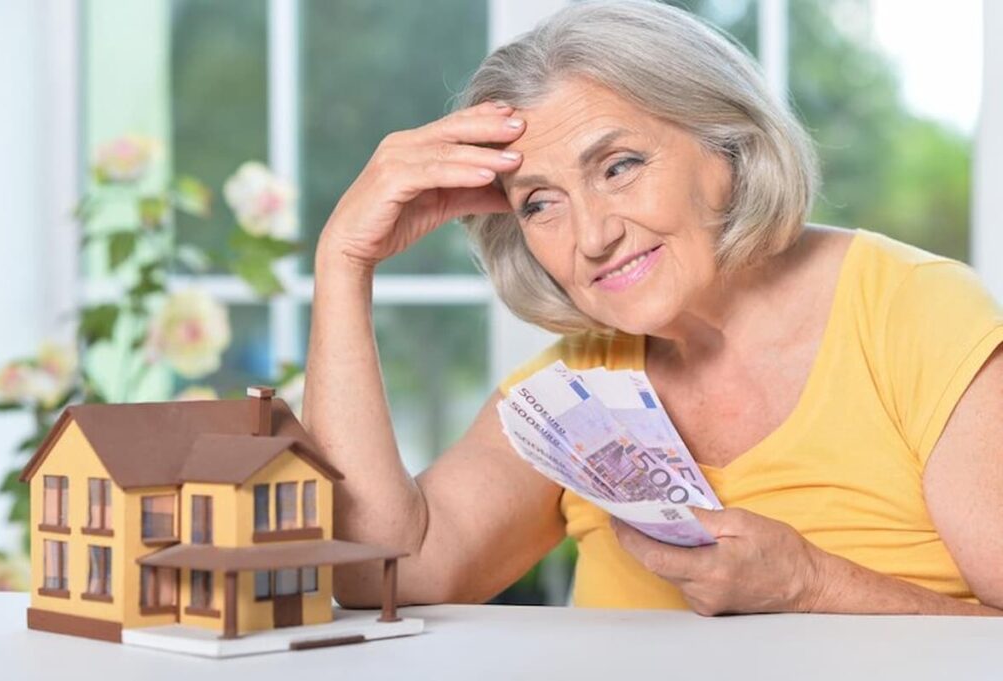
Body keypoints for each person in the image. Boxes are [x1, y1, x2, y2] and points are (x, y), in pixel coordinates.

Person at [302, 0, 1003, 615]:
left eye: (619, 166)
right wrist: (342, 262)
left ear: (725, 144)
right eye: (541, 202)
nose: (592, 236)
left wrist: (811, 584)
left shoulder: (913, 312)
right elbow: (381, 570)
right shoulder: (575, 392)